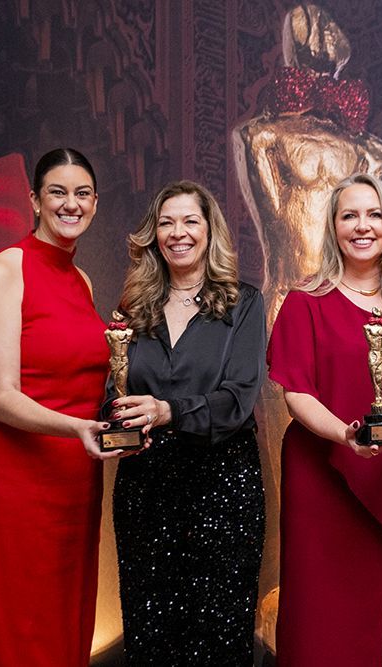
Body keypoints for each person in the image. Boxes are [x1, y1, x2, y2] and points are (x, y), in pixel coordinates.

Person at [267, 173, 382, 666]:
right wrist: (346, 435)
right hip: (321, 478)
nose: (362, 226)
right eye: (349, 215)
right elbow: (296, 393)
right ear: (333, 227)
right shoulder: (304, 300)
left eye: (374, 214)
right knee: (321, 628)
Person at [0, 148, 120, 666]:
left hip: (75, 481)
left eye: (82, 193)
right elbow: (1, 399)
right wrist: (78, 429)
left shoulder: (82, 280)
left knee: (62, 622)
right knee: (10, 627)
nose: (71, 204)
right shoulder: (4, 271)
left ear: (95, 203)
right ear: (34, 199)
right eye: (58, 192)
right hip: (15, 480)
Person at [107, 181, 266, 664]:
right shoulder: (132, 309)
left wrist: (167, 411)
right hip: (146, 489)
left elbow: (238, 399)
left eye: (190, 221)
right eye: (166, 222)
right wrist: (112, 424)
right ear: (154, 235)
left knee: (219, 636)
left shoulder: (243, 303)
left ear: (209, 231)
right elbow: (113, 392)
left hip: (224, 487)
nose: (178, 233)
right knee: (150, 636)